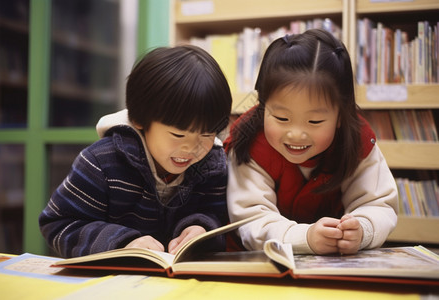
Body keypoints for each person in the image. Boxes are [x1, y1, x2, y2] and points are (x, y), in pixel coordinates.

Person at [39, 45, 232, 258]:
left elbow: (216, 214)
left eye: (206, 135)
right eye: (178, 135)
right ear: (140, 119)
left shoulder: (212, 165)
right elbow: (59, 222)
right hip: (109, 285)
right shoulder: (100, 163)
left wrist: (201, 228)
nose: (192, 148)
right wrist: (123, 242)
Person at [225, 29, 398, 255]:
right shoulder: (249, 143)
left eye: (314, 121)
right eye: (281, 118)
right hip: (256, 263)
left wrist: (362, 229)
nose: (296, 134)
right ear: (263, 107)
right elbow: (250, 219)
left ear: (340, 116)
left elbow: (379, 203)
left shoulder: (356, 142)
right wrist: (304, 238)